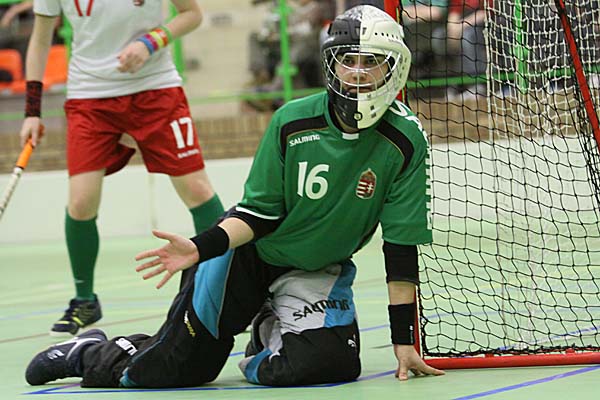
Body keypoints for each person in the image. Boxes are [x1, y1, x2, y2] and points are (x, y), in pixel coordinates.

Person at [25, 5, 445, 388]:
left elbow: (400, 246)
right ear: (331, 63)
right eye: (347, 60)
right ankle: (88, 351)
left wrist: (403, 341)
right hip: (248, 255)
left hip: (317, 267)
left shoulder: (405, 140)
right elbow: (258, 213)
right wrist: (200, 248)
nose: (357, 72)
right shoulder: (291, 121)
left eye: (371, 62)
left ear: (393, 67)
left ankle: (265, 333)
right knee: (172, 371)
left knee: (329, 366)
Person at [19, 0, 224, 337]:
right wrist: (32, 111)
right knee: (81, 203)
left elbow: (192, 14)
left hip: (156, 88)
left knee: (197, 190)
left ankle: (230, 287)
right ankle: (85, 300)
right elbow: (41, 40)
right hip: (90, 96)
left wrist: (151, 42)